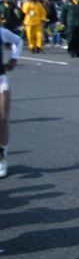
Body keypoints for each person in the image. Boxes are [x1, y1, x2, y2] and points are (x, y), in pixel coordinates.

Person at [0, 25, 22, 178]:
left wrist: (14, 59)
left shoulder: (1, 32)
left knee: (2, 119)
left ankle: (1, 159)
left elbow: (18, 40)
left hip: (0, 80)